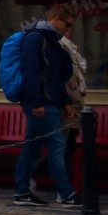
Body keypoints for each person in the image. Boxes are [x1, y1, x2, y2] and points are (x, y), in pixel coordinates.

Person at [12, 5, 79, 207]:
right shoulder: (36, 38)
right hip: (41, 102)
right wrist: (37, 101)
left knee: (32, 147)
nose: (69, 29)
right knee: (57, 145)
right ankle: (66, 194)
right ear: (56, 19)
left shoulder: (50, 40)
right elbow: (30, 72)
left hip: (46, 100)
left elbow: (55, 76)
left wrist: (65, 101)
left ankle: (22, 192)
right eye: (67, 24)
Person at [32, 22, 85, 188]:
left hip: (72, 102)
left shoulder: (68, 48)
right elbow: (58, 79)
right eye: (66, 27)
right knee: (61, 147)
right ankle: (34, 176)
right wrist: (66, 102)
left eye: (70, 28)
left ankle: (63, 187)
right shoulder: (56, 46)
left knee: (67, 147)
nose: (68, 32)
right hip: (64, 102)